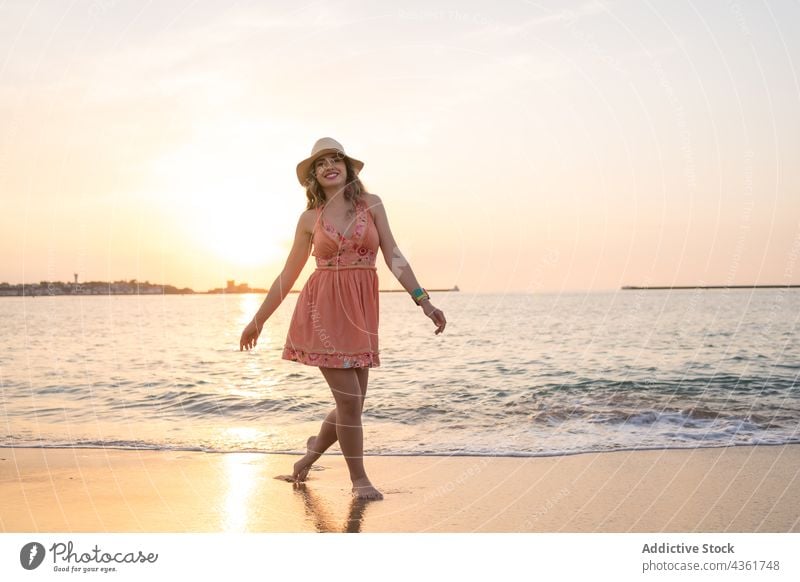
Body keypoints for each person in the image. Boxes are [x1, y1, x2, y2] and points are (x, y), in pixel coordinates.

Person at [239, 137, 447, 500]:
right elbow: (287, 275)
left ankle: (308, 457)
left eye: (336, 160)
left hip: (361, 311)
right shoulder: (309, 219)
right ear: (313, 177)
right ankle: (359, 481)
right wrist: (258, 320)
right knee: (350, 402)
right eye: (321, 164)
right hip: (322, 310)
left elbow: (394, 256)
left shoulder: (372, 204)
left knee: (351, 404)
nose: (329, 166)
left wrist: (424, 301)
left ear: (348, 168)